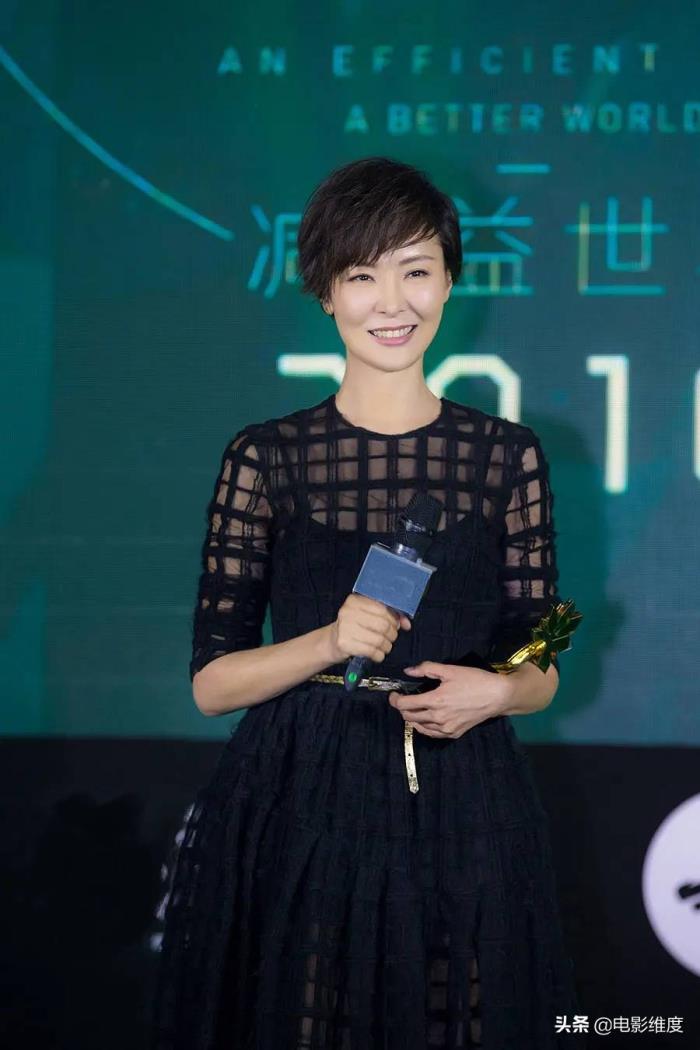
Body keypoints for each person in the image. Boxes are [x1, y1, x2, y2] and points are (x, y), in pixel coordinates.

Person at [151, 156, 583, 1049]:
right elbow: (212, 684)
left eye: (415, 270)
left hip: (464, 793)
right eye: (361, 275)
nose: (393, 302)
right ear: (325, 294)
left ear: (450, 280)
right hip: (299, 795)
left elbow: (539, 659)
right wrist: (326, 641)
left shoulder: (507, 458)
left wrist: (499, 691)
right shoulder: (266, 458)